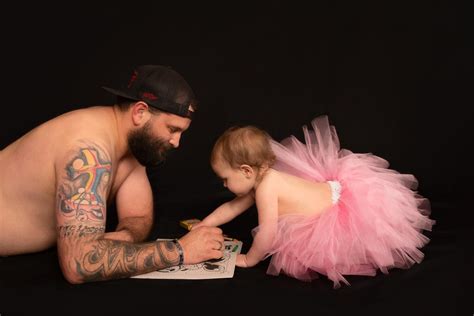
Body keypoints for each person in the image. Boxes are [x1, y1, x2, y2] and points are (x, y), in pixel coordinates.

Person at [0, 65, 225, 284]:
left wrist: (126, 236)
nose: (176, 142)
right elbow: (79, 265)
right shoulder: (88, 150)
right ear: (140, 112)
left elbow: (137, 217)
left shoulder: (131, 146)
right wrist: (180, 250)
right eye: (172, 129)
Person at [192, 115, 435, 288]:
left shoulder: (266, 187)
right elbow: (231, 207)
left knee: (353, 245)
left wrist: (248, 259)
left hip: (333, 216)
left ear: (246, 171)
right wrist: (204, 224)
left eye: (225, 179)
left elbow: (267, 232)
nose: (224, 185)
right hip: (333, 191)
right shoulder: (262, 178)